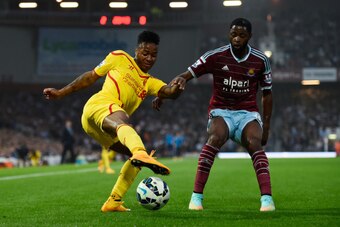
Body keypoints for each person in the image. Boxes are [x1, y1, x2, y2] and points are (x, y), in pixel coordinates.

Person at [43, 30, 182, 212]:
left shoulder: (149, 82)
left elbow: (170, 92)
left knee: (138, 160)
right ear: (136, 50)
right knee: (126, 127)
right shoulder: (119, 57)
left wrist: (179, 86)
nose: (149, 58)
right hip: (98, 106)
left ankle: (114, 201)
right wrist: (61, 92)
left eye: (153, 55)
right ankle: (140, 152)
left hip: (100, 127)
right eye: (145, 53)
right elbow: (90, 77)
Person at [153, 18, 275, 212]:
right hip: (221, 111)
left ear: (250, 37)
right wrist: (164, 93)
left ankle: (267, 200)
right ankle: (196, 198)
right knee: (215, 137)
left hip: (248, 114)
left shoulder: (260, 60)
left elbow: (267, 94)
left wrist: (266, 127)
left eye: (242, 35)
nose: (237, 39)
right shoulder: (216, 56)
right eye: (233, 34)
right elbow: (186, 74)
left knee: (254, 143)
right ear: (229, 34)